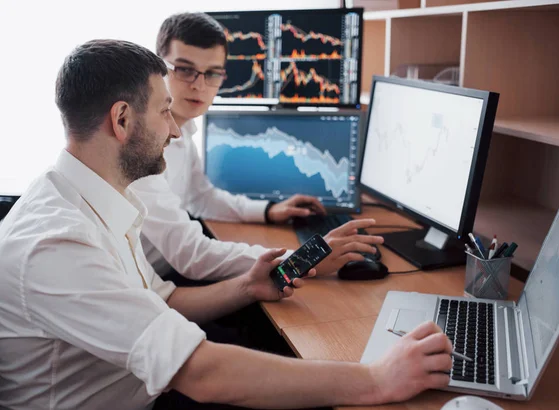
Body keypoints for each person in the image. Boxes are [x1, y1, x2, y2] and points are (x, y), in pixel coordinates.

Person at [0, 39, 452, 410]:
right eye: (163, 112)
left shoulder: (97, 196)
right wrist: (377, 379)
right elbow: (203, 374)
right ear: (121, 119)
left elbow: (164, 301)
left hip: (144, 386)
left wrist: (248, 288)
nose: (174, 131)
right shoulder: (58, 243)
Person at [131, 12, 383, 282]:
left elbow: (201, 198)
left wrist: (269, 211)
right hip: (149, 289)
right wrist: (303, 259)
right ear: (159, 68)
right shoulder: (142, 148)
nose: (199, 85)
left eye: (213, 73)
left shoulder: (183, 131)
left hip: (167, 276)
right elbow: (193, 255)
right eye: (184, 69)